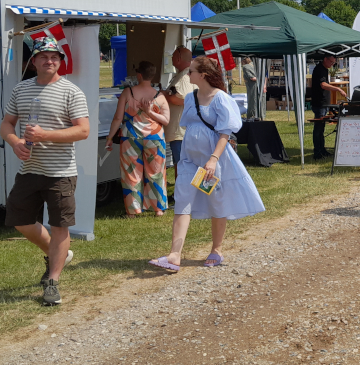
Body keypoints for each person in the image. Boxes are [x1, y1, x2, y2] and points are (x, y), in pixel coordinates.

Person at [149, 57, 265, 272]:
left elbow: (225, 132)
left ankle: (217, 249)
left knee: (216, 201)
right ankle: (174, 255)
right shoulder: (191, 97)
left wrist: (213, 159)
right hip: (188, 159)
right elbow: (189, 125)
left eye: (191, 71)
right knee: (183, 201)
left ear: (202, 75)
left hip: (211, 161)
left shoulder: (221, 98)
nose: (187, 74)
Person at [0, 36, 90, 306]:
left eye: (54, 57)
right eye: (43, 57)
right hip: (29, 169)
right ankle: (57, 254)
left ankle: (52, 281)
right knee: (19, 219)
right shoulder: (21, 89)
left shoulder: (71, 91)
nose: (49, 61)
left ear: (60, 61)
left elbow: (83, 130)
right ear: (34, 61)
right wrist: (15, 142)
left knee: (60, 225)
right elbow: (6, 123)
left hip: (60, 171)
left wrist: (44, 135)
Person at [106, 61, 171, 218]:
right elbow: (166, 120)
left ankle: (132, 211)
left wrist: (109, 137)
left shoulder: (128, 93)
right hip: (155, 136)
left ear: (139, 75)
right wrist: (150, 112)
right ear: (152, 75)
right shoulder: (160, 96)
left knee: (131, 172)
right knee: (156, 171)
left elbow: (117, 118)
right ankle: (158, 209)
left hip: (131, 136)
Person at [163, 47, 197, 180]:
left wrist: (165, 96)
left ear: (178, 58)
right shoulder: (184, 74)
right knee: (181, 163)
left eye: (173, 56)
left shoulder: (184, 76)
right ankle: (182, 193)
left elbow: (183, 98)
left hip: (180, 130)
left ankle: (184, 194)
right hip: (181, 129)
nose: (171, 59)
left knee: (182, 164)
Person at [311, 54, 347, 160]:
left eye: (334, 63)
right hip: (319, 103)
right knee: (318, 128)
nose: (332, 64)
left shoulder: (325, 69)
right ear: (325, 59)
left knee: (322, 128)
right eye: (331, 62)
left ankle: (322, 150)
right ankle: (317, 152)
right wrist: (338, 89)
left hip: (324, 103)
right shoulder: (319, 69)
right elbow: (323, 85)